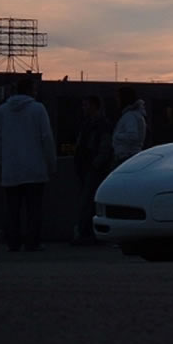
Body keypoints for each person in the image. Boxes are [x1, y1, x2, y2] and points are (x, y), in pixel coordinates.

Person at [0, 77, 56, 252]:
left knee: (12, 209)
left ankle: (13, 242)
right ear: (31, 90)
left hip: (10, 169)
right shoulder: (38, 109)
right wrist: (51, 163)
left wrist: (0, 162)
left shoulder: (2, 111)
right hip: (35, 168)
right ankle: (32, 242)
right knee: (34, 209)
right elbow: (47, 138)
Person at [71, 95, 112, 246]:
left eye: (86, 105)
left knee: (87, 201)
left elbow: (104, 147)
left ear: (94, 106)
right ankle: (89, 233)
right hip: (86, 166)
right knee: (88, 200)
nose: (84, 108)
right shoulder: (89, 124)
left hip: (92, 167)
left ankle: (86, 233)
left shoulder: (101, 125)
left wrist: (96, 163)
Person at [111, 86, 147, 166]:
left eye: (118, 97)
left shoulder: (130, 116)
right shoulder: (135, 115)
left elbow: (133, 136)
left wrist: (117, 136)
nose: (117, 100)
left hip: (126, 157)